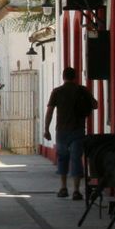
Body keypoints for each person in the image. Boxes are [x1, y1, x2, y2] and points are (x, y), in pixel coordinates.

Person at [43, 67, 96, 200]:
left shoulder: (57, 92)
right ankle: (76, 191)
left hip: (61, 131)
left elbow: (50, 112)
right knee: (76, 159)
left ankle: (63, 188)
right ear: (75, 77)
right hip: (78, 130)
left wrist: (46, 129)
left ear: (63, 77)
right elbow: (95, 105)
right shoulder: (82, 90)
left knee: (62, 158)